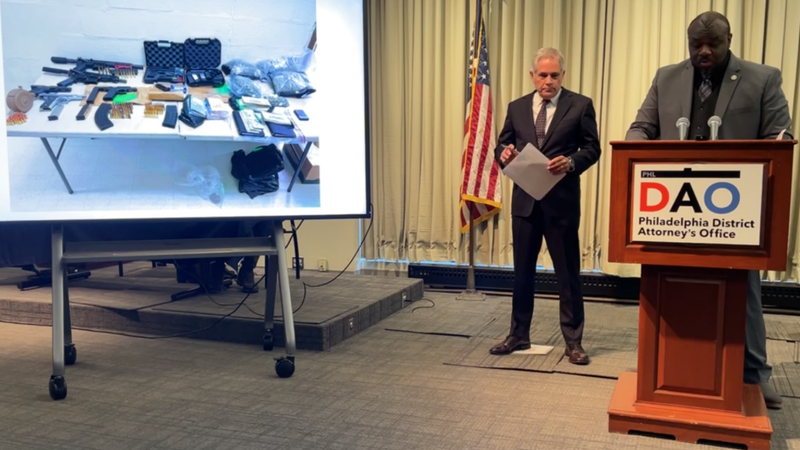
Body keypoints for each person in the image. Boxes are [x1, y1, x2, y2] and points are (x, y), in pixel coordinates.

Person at [626, 11, 791, 410]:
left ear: (728, 39)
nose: (703, 51)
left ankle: (754, 373)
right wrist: (636, 149)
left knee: (744, 289)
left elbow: (778, 136)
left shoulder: (762, 77)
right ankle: (673, 368)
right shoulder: (667, 77)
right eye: (696, 43)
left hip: (734, 208)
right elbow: (640, 128)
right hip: (674, 207)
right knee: (670, 282)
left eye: (712, 44)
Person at [491, 47, 601, 365]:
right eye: (543, 75)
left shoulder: (580, 105)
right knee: (522, 272)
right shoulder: (517, 107)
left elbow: (592, 148)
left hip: (561, 204)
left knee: (568, 275)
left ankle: (574, 342)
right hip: (525, 202)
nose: (548, 81)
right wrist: (504, 154)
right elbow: (503, 143)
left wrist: (571, 162)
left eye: (554, 75)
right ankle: (517, 335)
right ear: (532, 75)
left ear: (562, 76)